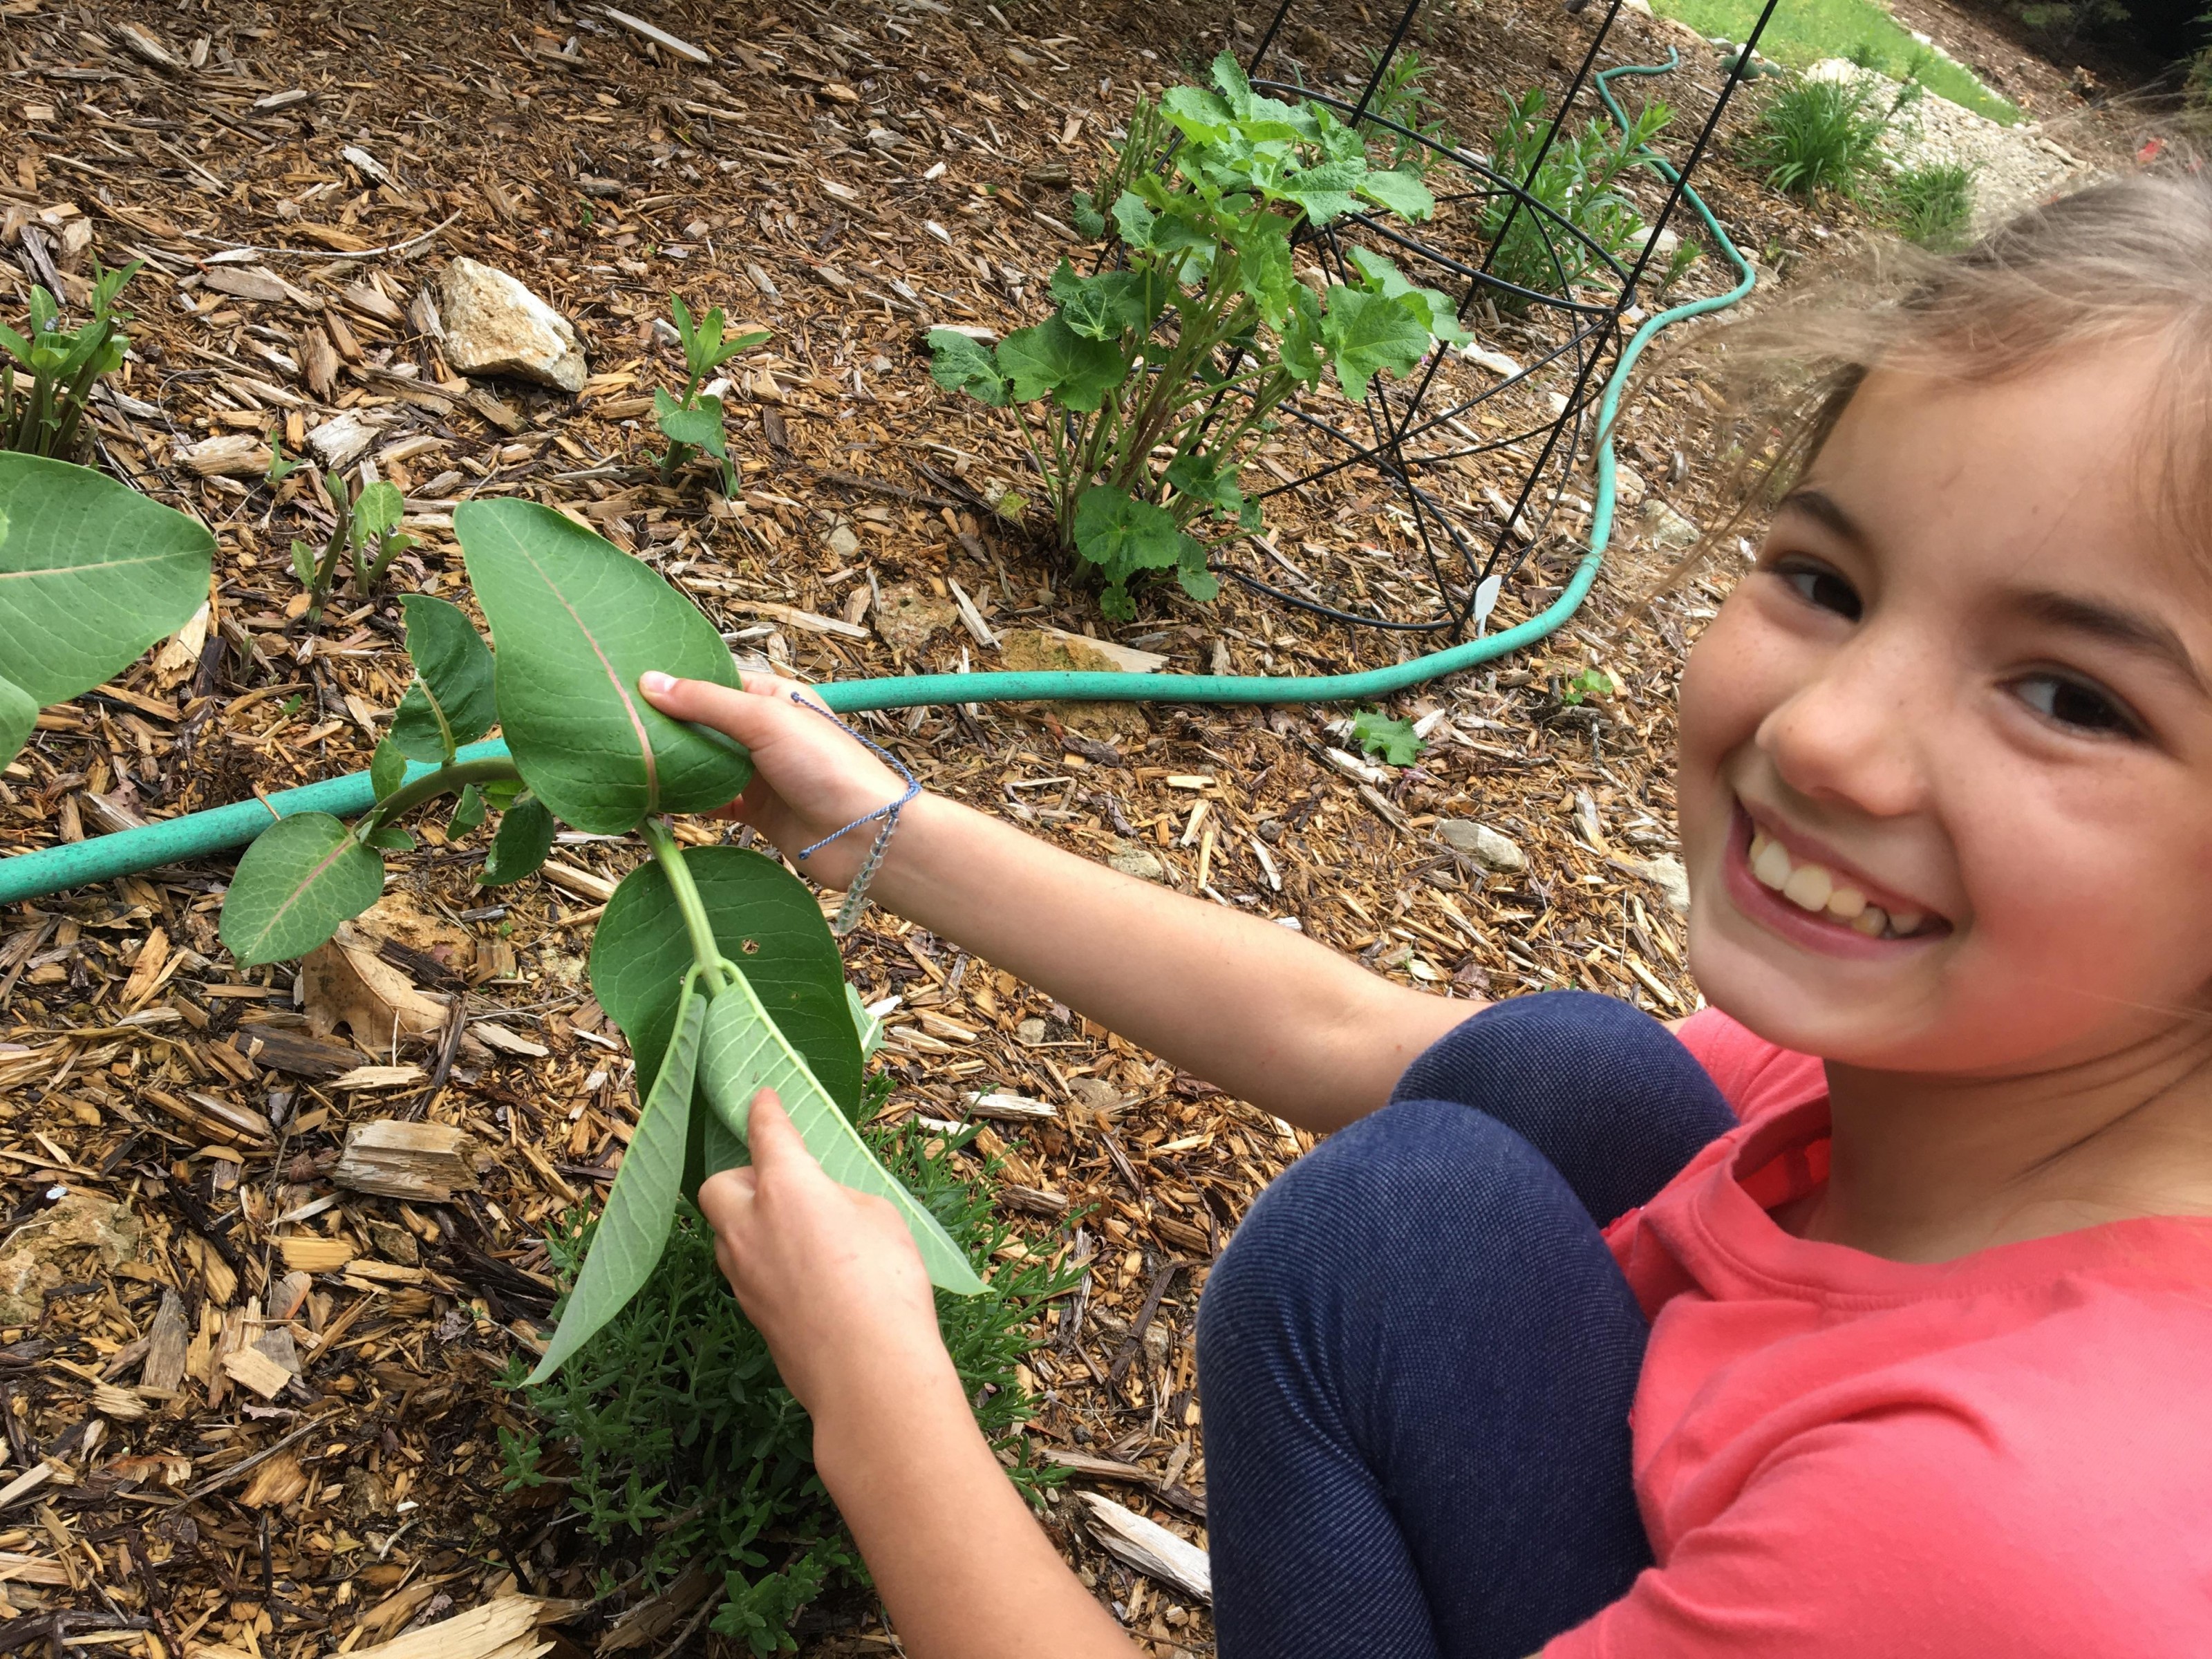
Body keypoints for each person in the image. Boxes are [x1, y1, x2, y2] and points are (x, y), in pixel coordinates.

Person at [633, 174, 2212, 1658]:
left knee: (1384, 1237)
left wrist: (874, 1390)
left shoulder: (1993, 1529)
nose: (1823, 737)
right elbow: (1350, 1036)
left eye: (2071, 697)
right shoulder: (1963, 1092)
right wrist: (868, 823)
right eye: (1827, 582)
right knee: (1559, 1080)